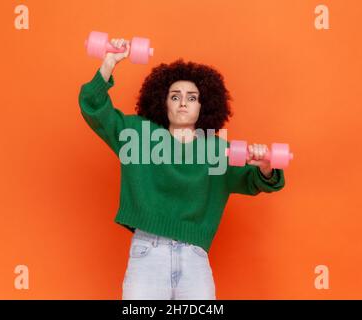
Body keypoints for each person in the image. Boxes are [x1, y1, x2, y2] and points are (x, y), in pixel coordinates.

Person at [78, 38, 286, 300]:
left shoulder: (216, 150)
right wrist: (109, 61)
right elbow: (94, 108)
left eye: (192, 97)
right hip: (147, 255)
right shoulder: (138, 136)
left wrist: (266, 165)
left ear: (203, 105)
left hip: (194, 259)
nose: (183, 103)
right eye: (175, 97)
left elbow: (257, 180)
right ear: (163, 103)